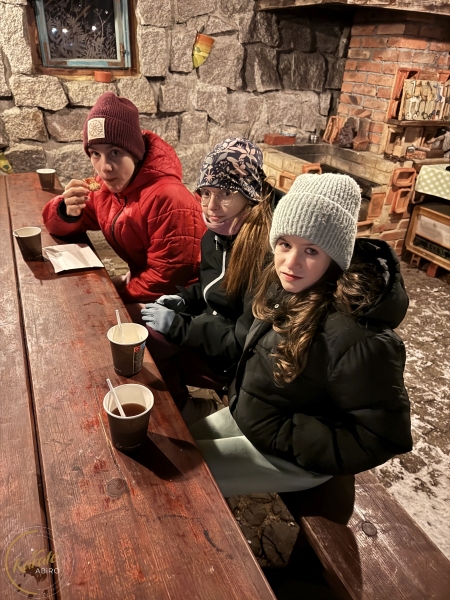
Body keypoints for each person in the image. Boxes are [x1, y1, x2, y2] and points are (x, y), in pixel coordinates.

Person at [188, 173, 413, 497]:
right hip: (256, 415)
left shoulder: (358, 339)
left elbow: (381, 436)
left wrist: (284, 432)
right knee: (182, 447)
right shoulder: (284, 286)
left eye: (311, 250)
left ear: (335, 256)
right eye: (285, 244)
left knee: (187, 481)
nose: (291, 262)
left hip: (294, 454)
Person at [141, 138, 274, 424]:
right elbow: (211, 286)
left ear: (249, 195)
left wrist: (180, 327)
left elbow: (244, 340)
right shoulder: (215, 236)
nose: (211, 206)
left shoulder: (265, 253)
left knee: (155, 342)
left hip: (238, 362)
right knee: (147, 335)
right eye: (206, 192)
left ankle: (198, 412)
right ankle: (185, 405)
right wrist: (185, 299)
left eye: (226, 192)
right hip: (214, 335)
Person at [42, 92, 205, 317]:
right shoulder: (106, 188)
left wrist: (113, 297)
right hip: (144, 280)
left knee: (99, 317)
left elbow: (166, 279)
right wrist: (67, 211)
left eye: (115, 152)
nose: (105, 167)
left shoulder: (170, 199)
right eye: (95, 154)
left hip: (183, 299)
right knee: (79, 303)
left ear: (135, 153)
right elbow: (58, 224)